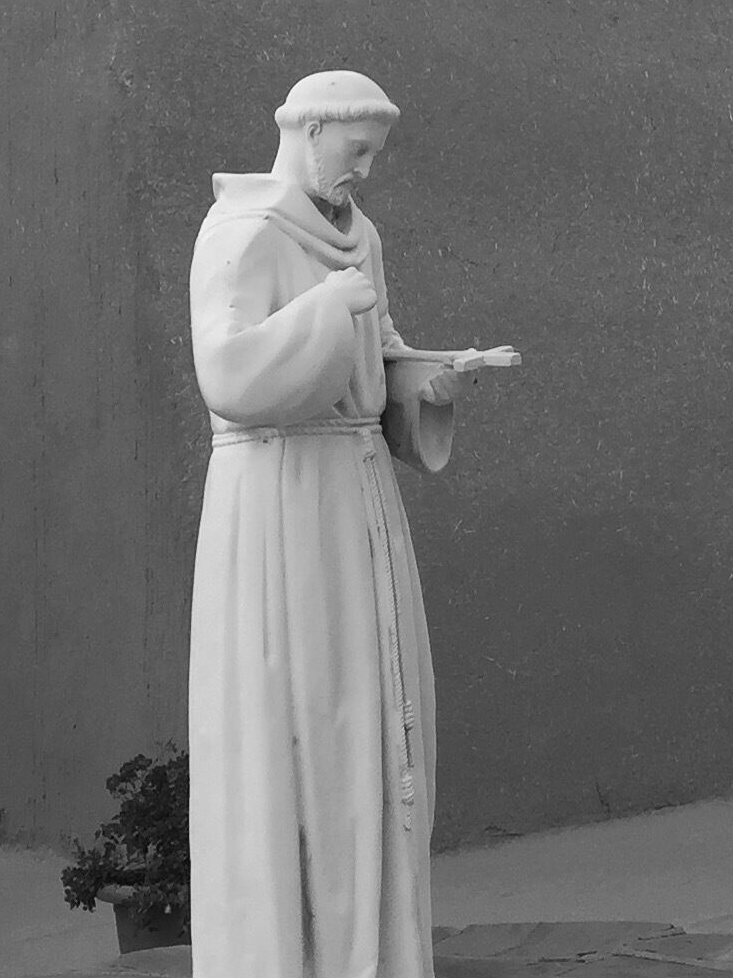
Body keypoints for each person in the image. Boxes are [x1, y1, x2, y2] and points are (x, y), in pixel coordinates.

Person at [187, 70, 495, 978]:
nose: (364, 170)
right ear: (309, 131)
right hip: (280, 501)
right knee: (301, 717)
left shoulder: (363, 237)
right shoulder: (243, 232)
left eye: (374, 155)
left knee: (375, 717)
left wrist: (429, 379)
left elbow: (379, 357)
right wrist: (328, 310)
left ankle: (377, 956)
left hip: (358, 499)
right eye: (356, 150)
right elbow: (228, 375)